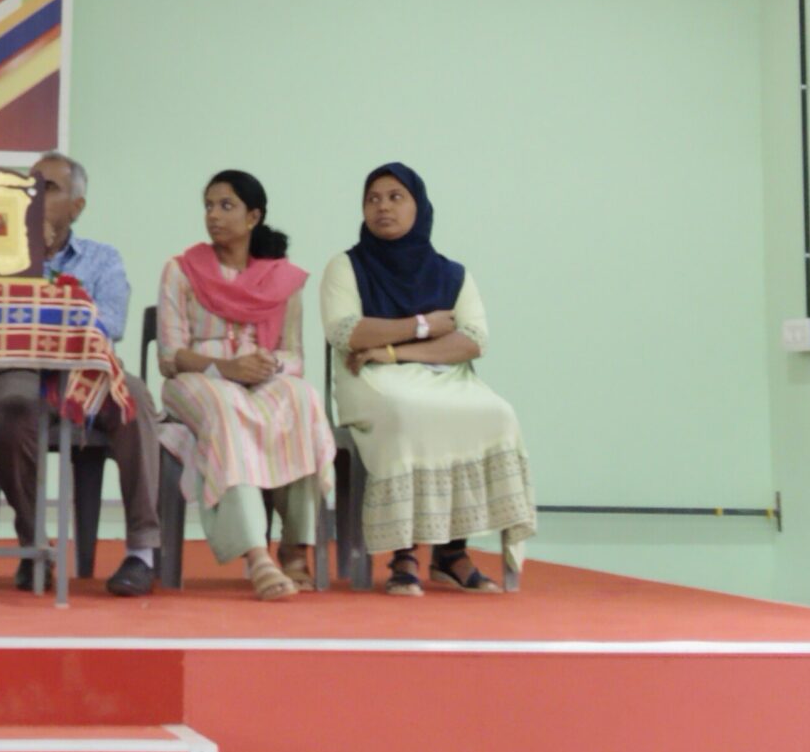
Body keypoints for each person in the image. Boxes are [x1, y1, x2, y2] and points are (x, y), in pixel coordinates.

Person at [320, 162, 536, 595]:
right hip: (370, 379)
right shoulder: (346, 266)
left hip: (438, 375)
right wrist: (423, 325)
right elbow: (347, 333)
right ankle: (403, 552)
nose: (383, 207)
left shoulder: (452, 274)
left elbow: (472, 341)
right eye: (373, 199)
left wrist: (394, 350)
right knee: (406, 411)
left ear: (419, 206)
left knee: (497, 413)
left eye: (395, 197)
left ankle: (451, 553)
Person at [0, 153, 168, 597]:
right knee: (9, 407)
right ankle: (34, 549)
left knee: (134, 399)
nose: (33, 195)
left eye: (47, 188)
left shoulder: (102, 259)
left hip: (87, 368)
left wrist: (49, 314)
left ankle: (142, 552)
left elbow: (112, 323)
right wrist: (28, 258)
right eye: (29, 186)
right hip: (21, 367)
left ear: (77, 206)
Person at [156, 171, 337, 602]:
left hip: (261, 377)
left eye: (226, 206)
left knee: (303, 398)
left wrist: (267, 364)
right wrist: (226, 368)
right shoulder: (181, 270)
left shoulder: (282, 278)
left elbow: (294, 355)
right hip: (198, 379)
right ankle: (256, 554)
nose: (213, 215)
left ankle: (295, 547)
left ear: (253, 216)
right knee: (224, 406)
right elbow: (170, 355)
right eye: (209, 206)